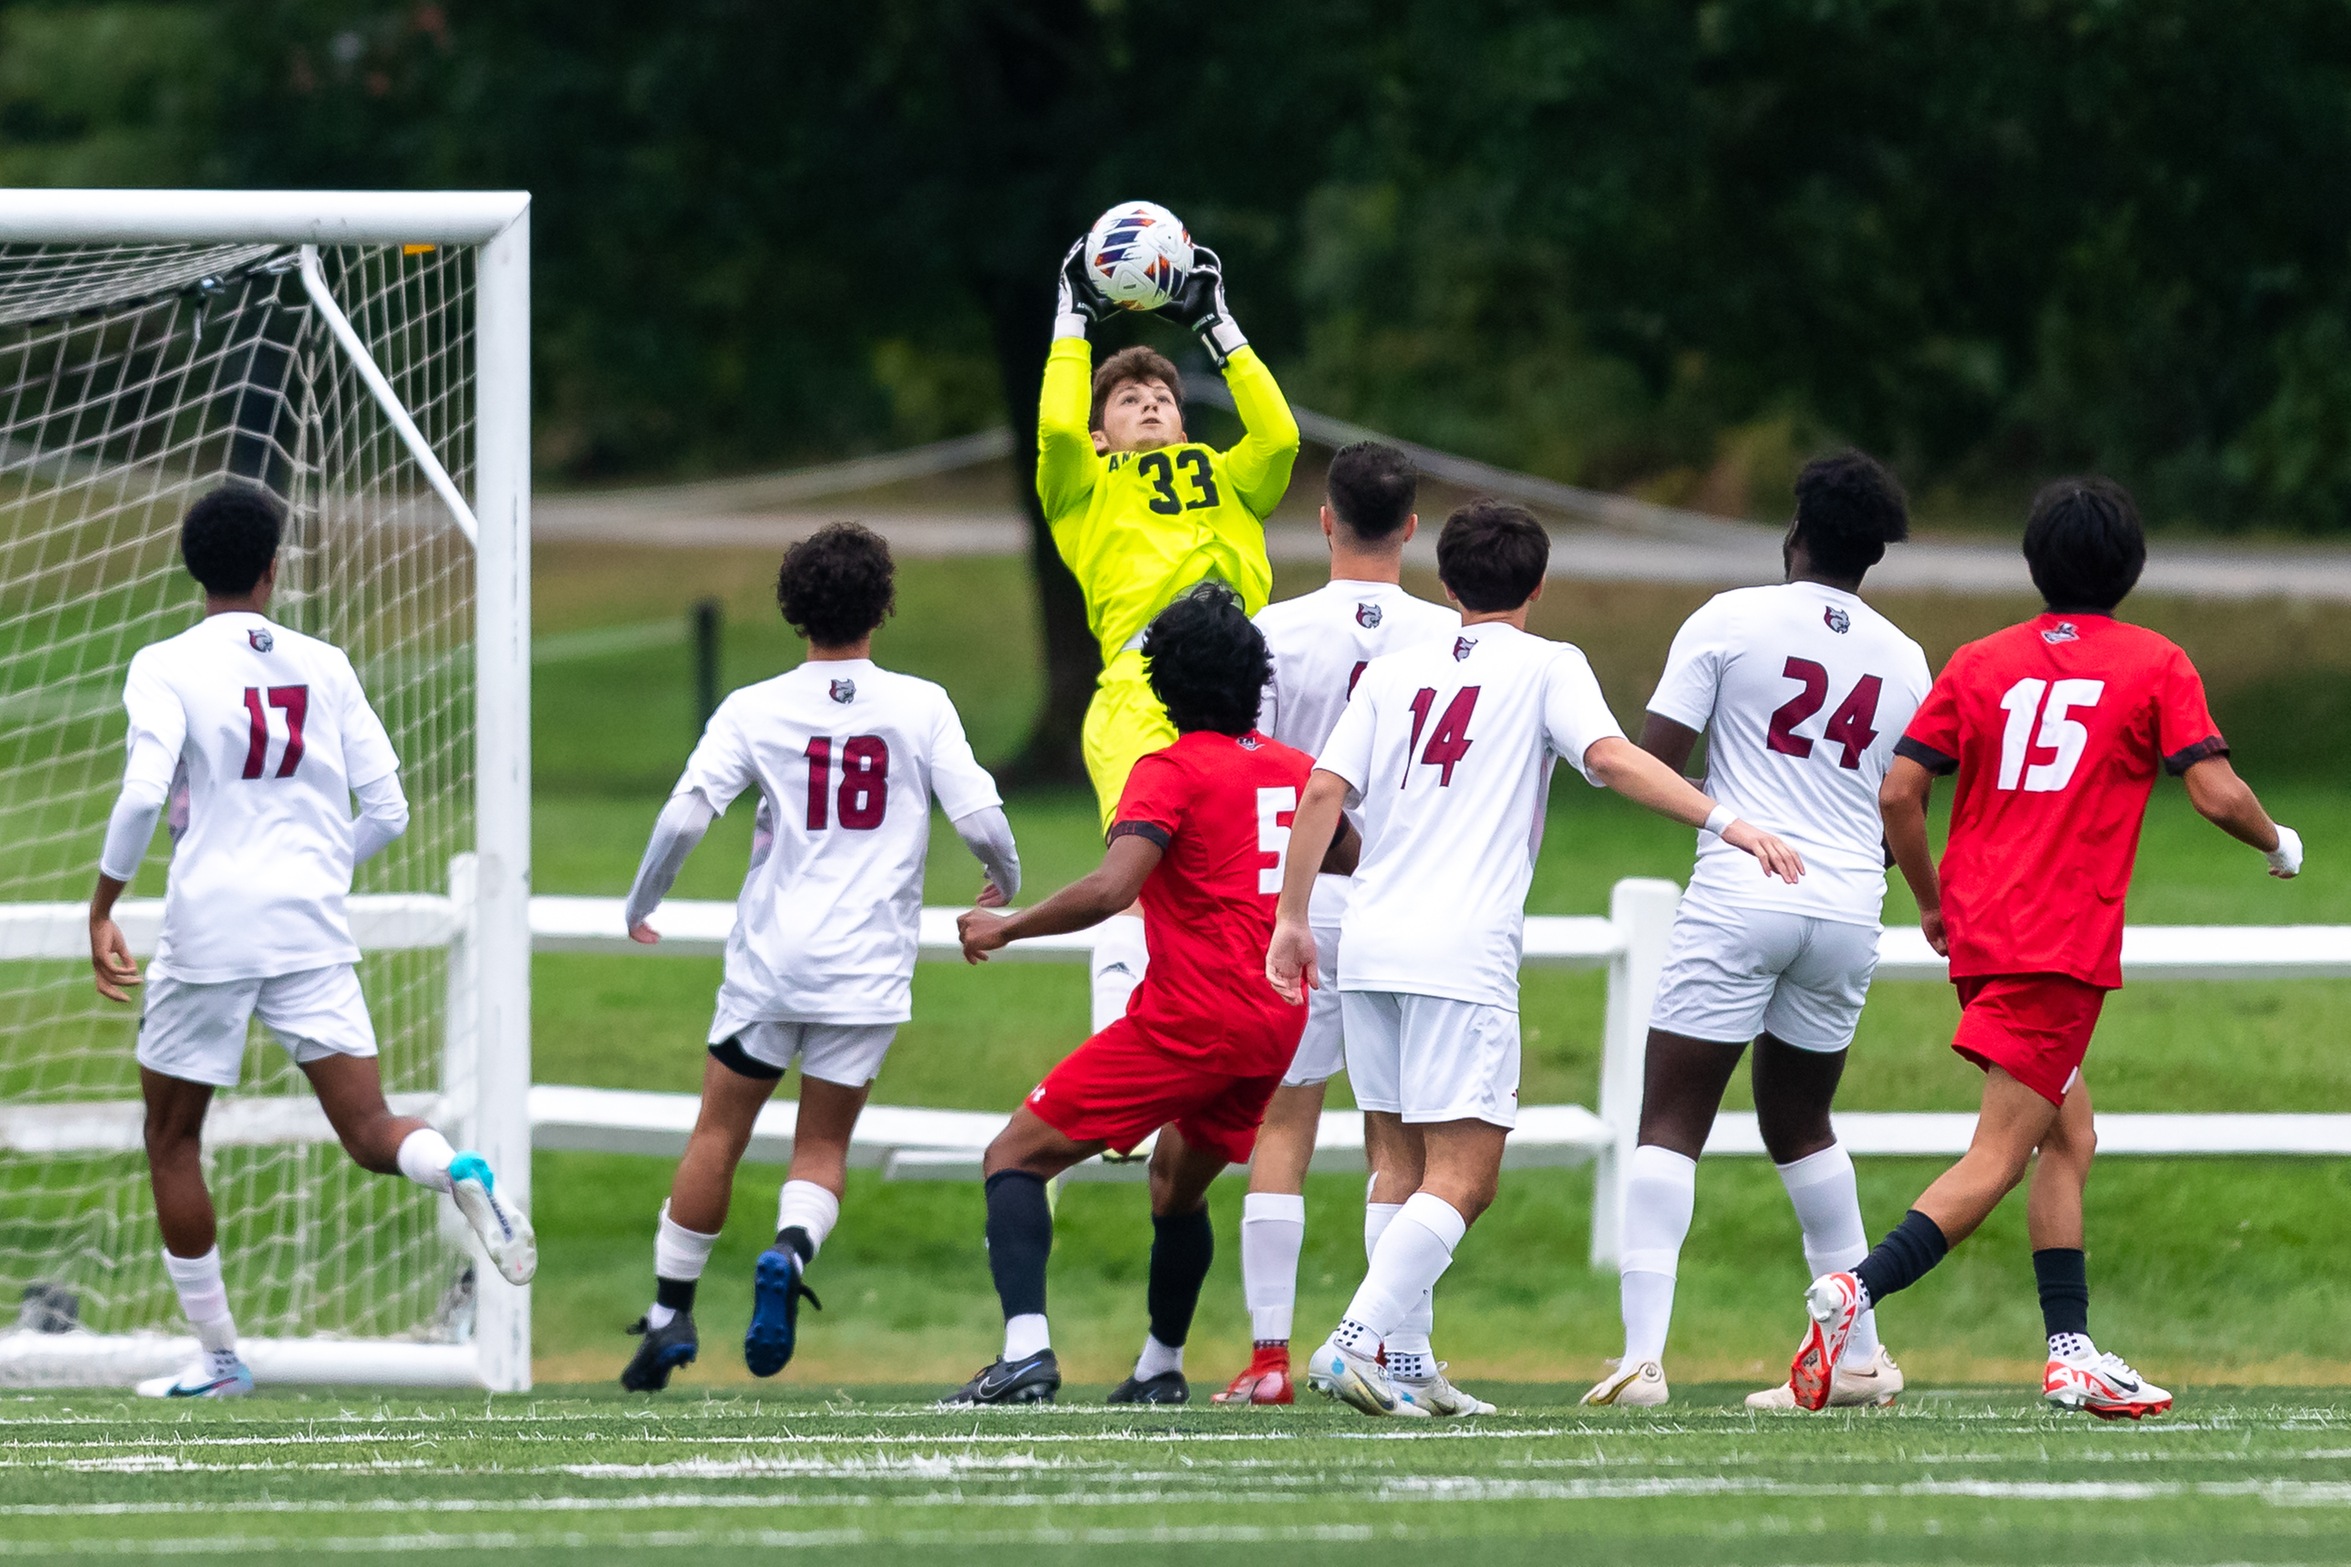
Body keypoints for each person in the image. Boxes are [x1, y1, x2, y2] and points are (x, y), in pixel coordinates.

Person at [1271, 500, 1806, 1420]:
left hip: (1369, 938)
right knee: (1466, 1175)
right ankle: (1355, 1340)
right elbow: (1609, 758)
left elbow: (1322, 788)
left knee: (1394, 1161)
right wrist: (1728, 819)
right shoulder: (1549, 663)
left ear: (1445, 584)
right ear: (1539, 584)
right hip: (1458, 948)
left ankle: (1406, 1357)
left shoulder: (1394, 670)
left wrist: (1289, 915)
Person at [1785, 477, 2302, 1418]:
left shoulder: (1981, 660)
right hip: (2057, 940)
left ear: (2033, 563)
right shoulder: (2153, 662)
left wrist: (1933, 901)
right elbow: (2215, 792)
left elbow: (1900, 792)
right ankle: (1852, 1292)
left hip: (1983, 931)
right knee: (1996, 1153)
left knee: (2069, 1135)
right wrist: (2279, 843)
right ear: (2129, 568)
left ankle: (2070, 1351)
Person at [88, 482, 534, 1400]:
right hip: (308, 924)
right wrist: (323, 868)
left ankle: (217, 1359)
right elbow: (391, 807)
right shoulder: (323, 662)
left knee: (173, 1139)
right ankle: (456, 1167)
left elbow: (140, 795)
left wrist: (104, 904)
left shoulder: (163, 663)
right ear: (274, 567)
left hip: (211, 926)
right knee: (372, 1131)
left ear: (192, 568)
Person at [616, 522, 1019, 1392]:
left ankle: (669, 1313)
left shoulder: (755, 708)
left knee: (718, 1131)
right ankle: (790, 1256)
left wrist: (644, 899)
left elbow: (687, 814)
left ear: (792, 607)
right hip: (866, 970)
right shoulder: (921, 704)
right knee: (821, 1146)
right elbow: (981, 817)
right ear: (882, 604)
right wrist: (1003, 874)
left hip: (769, 964)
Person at [944, 584, 1354, 1407]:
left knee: (1012, 1157)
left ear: (1162, 687)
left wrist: (1008, 926)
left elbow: (1110, 887)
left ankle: (1025, 1353)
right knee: (1175, 1183)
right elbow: (1343, 849)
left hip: (1194, 1016)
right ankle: (1161, 1364)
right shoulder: (1296, 769)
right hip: (1277, 1019)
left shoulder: (1166, 769)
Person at [1582, 452, 1930, 1412]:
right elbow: (1903, 801)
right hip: (1850, 902)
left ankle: (1641, 1357)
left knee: (1670, 1121)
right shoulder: (1905, 658)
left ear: (1796, 534)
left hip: (1743, 888)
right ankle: (1857, 1352)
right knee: (1801, 1123)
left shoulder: (1729, 617)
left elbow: (1655, 762)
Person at [1215, 440, 1459, 1408]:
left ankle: (1269, 1356)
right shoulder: (1449, 633)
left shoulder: (1272, 629)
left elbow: (1259, 770)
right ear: (1409, 526)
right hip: (1408, 900)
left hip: (1305, 900)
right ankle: (1396, 1354)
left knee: (1285, 1120)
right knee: (1395, 1136)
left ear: (1324, 519)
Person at [1043, 237, 1300, 1037]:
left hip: (1236, 700)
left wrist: (1219, 329)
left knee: (1226, 885)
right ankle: (1120, 1055)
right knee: (1133, 875)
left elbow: (1281, 439)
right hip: (1138, 694)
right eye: (1126, 400)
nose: (1150, 401)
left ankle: (1213, 1039)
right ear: (1100, 434)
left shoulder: (1227, 476)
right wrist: (1071, 320)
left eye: (1161, 392)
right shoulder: (1082, 486)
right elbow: (1055, 432)